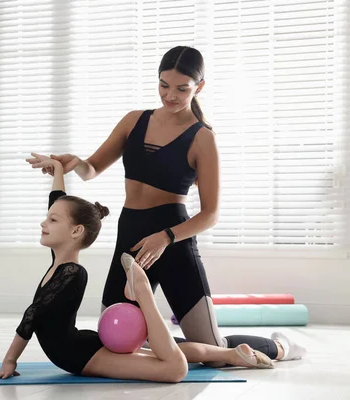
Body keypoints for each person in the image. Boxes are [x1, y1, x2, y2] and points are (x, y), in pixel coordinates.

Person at [38, 46, 306, 365]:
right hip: (132, 237)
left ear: (199, 87)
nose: (171, 95)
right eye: (164, 85)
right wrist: (73, 163)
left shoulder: (202, 138)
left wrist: (165, 237)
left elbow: (211, 214)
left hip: (174, 241)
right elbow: (92, 168)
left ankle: (279, 347)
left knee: (214, 350)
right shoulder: (134, 121)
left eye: (182, 88)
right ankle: (165, 341)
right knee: (117, 337)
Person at [0, 153, 274, 383]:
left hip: (82, 357)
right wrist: (58, 170)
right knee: (154, 353)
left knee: (172, 370)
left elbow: (32, 316)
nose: (43, 223)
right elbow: (58, 203)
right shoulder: (59, 262)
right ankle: (232, 355)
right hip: (84, 345)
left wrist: (10, 361)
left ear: (75, 232)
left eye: (52, 221)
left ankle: (143, 292)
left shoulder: (72, 273)